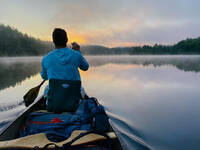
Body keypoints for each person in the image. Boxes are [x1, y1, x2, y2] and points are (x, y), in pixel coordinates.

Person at [40, 28, 89, 112]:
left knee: (47, 87)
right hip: (75, 104)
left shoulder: (46, 59)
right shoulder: (76, 55)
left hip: (54, 105)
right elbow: (85, 67)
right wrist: (78, 51)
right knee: (81, 89)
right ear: (66, 40)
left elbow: (44, 77)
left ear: (53, 41)